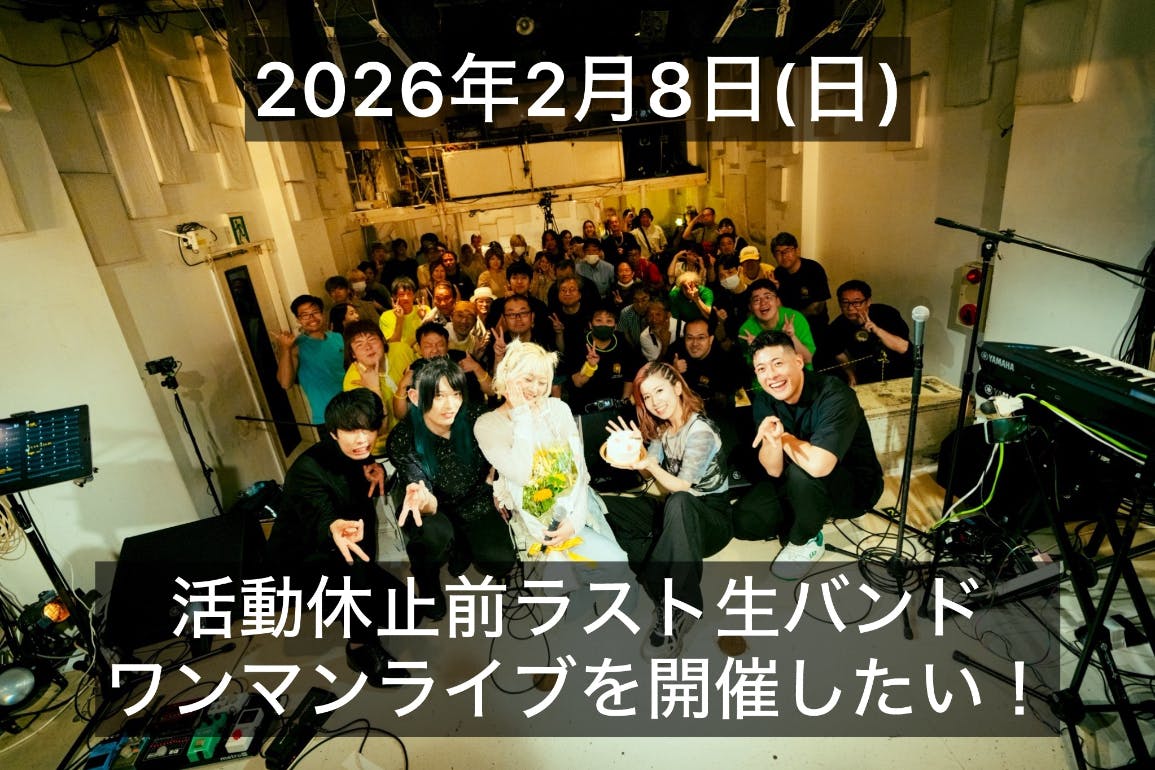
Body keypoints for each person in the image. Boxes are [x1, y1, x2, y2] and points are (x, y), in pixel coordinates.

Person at [265, 389, 410, 684]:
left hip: (350, 547)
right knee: (356, 582)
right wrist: (334, 528)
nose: (362, 439)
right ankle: (358, 649)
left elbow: (360, 476)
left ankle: (362, 597)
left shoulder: (358, 455)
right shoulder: (308, 470)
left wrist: (377, 472)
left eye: (368, 429)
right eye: (351, 431)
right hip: (306, 559)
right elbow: (322, 519)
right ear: (333, 432)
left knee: (404, 614)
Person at [602, 362, 732, 658]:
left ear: (677, 387)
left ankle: (681, 605)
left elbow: (681, 486)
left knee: (680, 501)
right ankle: (663, 559)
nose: (654, 401)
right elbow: (649, 473)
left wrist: (648, 464)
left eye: (659, 390)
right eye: (647, 396)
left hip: (710, 520)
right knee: (604, 506)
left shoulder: (700, 431)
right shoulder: (663, 429)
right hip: (672, 509)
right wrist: (636, 451)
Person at [474, 341, 627, 591]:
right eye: (528, 379)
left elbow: (579, 470)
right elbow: (523, 473)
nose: (535, 388)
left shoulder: (558, 409)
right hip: (534, 521)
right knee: (565, 591)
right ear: (508, 375)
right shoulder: (487, 424)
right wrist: (522, 415)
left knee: (616, 566)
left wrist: (575, 521)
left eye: (542, 381)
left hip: (578, 505)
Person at [733, 331, 884, 580]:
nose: (771, 375)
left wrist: (784, 438)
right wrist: (772, 442)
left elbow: (819, 466)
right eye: (761, 369)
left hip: (853, 487)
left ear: (798, 362)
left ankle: (807, 539)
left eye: (778, 363)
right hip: (798, 482)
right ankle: (808, 513)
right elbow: (773, 469)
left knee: (801, 471)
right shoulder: (764, 400)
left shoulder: (835, 395)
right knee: (745, 521)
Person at [386, 357, 515, 620]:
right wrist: (422, 500)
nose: (450, 405)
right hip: (434, 508)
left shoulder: (475, 416)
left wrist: (497, 477)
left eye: (456, 394)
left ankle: (464, 544)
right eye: (438, 396)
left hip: (475, 498)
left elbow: (504, 440)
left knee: (500, 560)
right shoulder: (403, 437)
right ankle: (428, 580)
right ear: (414, 397)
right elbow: (422, 490)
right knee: (432, 534)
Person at [826, 279, 912, 385]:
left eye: (857, 302)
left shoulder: (887, 314)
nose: (850, 308)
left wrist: (877, 330)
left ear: (868, 302)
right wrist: (851, 376)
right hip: (868, 375)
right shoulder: (837, 326)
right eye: (845, 302)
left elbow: (903, 348)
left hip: (901, 372)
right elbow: (839, 354)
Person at [342, 320, 411, 453]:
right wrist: (375, 389)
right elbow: (380, 429)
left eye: (372, 340)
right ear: (353, 354)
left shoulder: (401, 350)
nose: (368, 347)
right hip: (386, 448)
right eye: (359, 345)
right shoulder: (352, 381)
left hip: (418, 434)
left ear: (383, 340)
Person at [276, 294, 345, 424]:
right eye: (305, 315)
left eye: (315, 312)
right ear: (298, 320)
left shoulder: (338, 338)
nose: (312, 318)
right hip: (328, 417)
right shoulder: (296, 346)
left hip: (355, 406)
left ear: (322, 314)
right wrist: (285, 349)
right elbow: (285, 383)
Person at [562, 303, 640, 414]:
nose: (604, 325)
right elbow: (577, 383)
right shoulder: (577, 343)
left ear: (615, 326)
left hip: (615, 406)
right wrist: (590, 366)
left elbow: (629, 378)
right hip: (584, 408)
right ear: (590, 324)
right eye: (598, 320)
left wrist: (623, 403)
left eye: (609, 321)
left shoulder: (623, 343)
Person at [662, 317, 742, 413]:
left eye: (701, 338)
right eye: (689, 338)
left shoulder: (727, 360)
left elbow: (739, 401)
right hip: (684, 409)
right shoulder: (676, 352)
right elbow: (659, 381)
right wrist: (674, 371)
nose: (695, 343)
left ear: (711, 339)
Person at [737, 279, 815, 368]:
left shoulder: (794, 318)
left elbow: (808, 359)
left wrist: (791, 337)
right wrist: (756, 349)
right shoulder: (746, 331)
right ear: (750, 307)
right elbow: (754, 368)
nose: (763, 303)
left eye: (768, 297)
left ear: (778, 301)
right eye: (756, 300)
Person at [771, 232, 832, 333]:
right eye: (778, 252)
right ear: (774, 256)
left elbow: (817, 308)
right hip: (788, 328)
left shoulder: (814, 269)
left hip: (814, 328)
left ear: (797, 251)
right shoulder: (778, 273)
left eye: (787, 250)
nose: (784, 256)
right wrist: (773, 292)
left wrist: (793, 319)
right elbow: (779, 307)